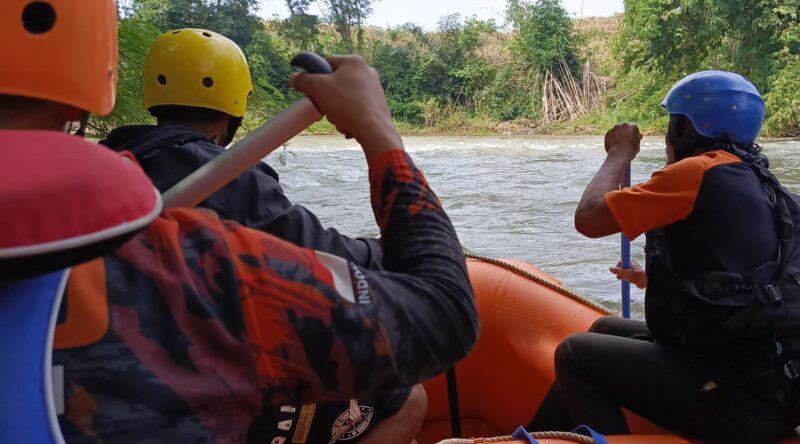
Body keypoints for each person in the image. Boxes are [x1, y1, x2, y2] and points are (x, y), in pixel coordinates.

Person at [0, 1, 479, 442]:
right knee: (405, 397)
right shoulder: (193, 267)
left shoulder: (126, 163)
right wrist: (379, 131)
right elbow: (444, 309)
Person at [100, 28, 420, 444]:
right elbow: (319, 254)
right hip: (197, 383)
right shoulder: (227, 176)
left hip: (125, 374)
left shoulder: (109, 161)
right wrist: (385, 251)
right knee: (409, 400)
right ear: (235, 106)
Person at [528, 71, 798, 443]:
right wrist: (651, 280)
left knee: (575, 353)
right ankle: (534, 436)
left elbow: (588, 218)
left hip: (736, 399)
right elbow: (741, 284)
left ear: (685, 130)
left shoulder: (696, 172)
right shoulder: (763, 184)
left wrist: (619, 155)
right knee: (604, 329)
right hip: (770, 387)